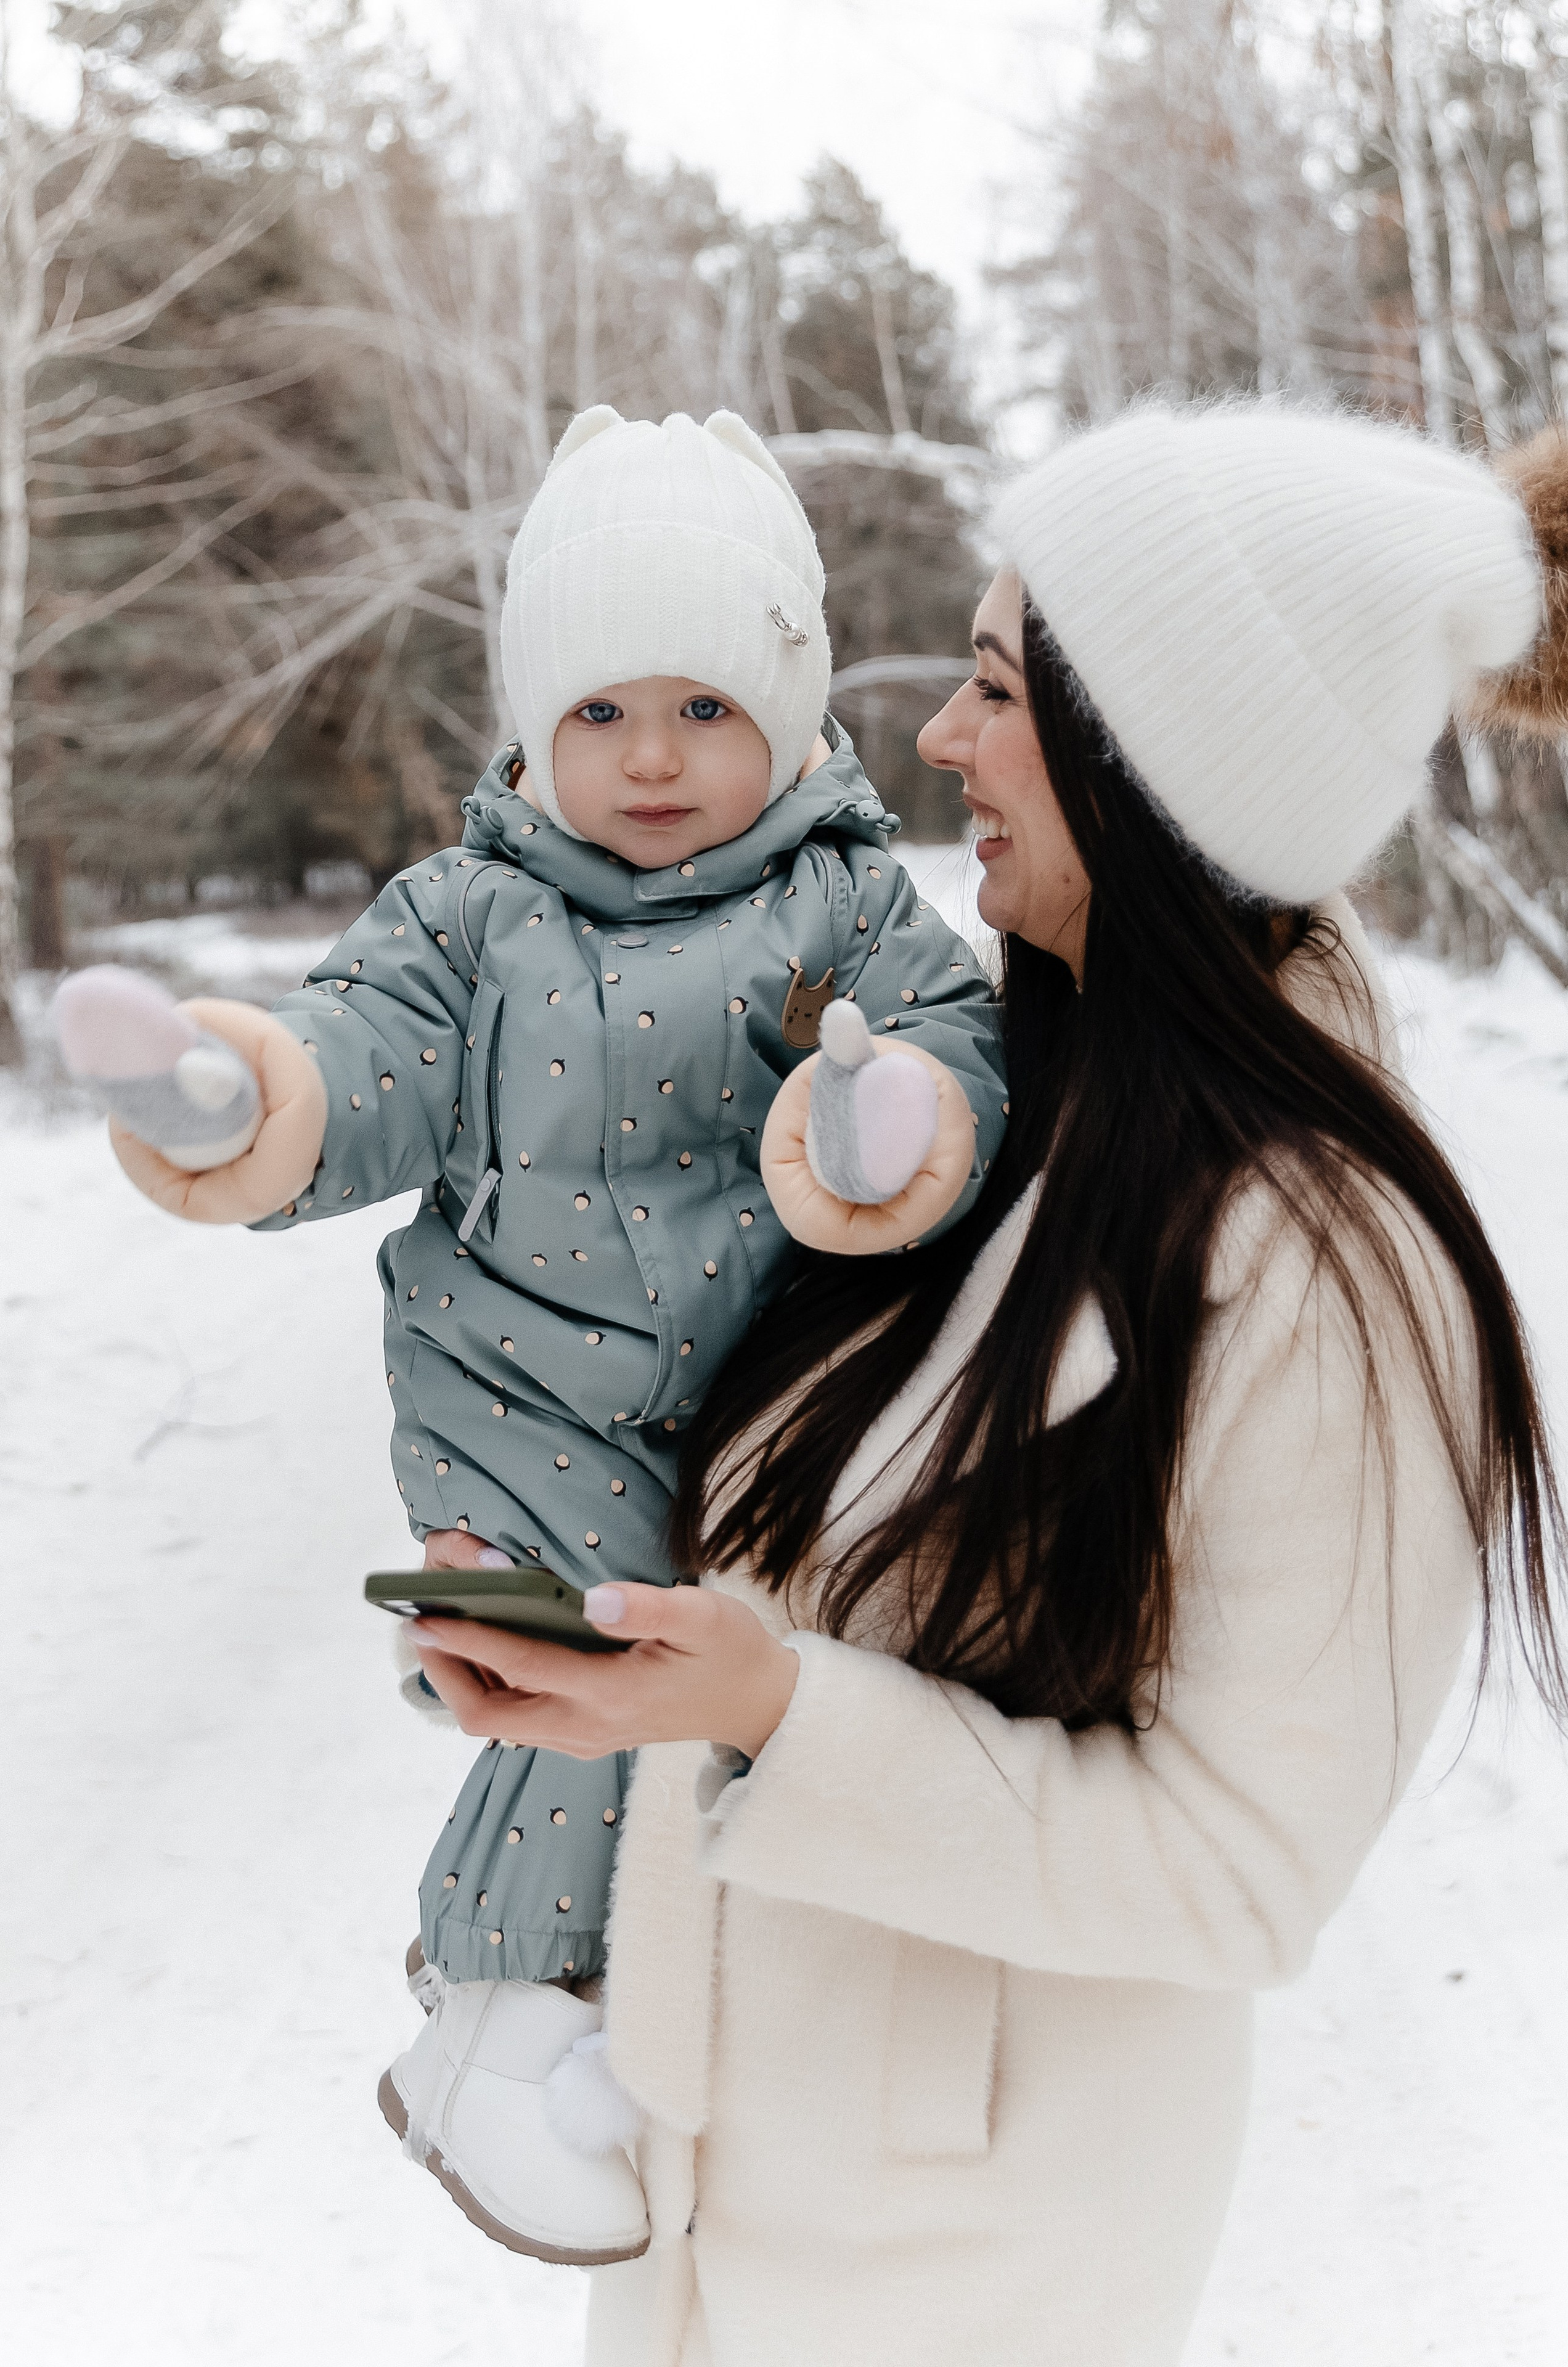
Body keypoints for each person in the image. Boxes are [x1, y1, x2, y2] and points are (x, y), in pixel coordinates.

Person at [400, 402, 1568, 2367]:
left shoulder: (1330, 1272)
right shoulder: (994, 1111)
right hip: (726, 2210)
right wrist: (599, 1640)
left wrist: (775, 1713)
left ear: (1158, 766)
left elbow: (1239, 1866)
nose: (938, 742)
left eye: (995, 684)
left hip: (971, 2276)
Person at [84, 406, 1008, 2266]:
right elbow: (358, 1063)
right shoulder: (470, 918)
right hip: (524, 1408)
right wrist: (231, 1098)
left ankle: (602, 2011)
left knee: (747, 1702)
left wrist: (886, 1125)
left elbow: (951, 1047)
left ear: (794, 705)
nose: (652, 759)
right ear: (530, 723)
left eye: (703, 707)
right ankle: (504, 2025)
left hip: (765, 1405)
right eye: (598, 712)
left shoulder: (846, 902)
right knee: (597, 1662)